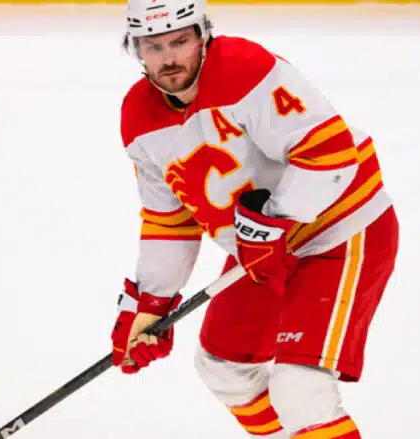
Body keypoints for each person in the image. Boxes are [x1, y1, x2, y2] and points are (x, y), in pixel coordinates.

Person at [109, 0, 401, 437]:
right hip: (262, 249)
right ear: (135, 49)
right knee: (225, 368)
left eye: (180, 41)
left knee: (300, 389)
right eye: (153, 46)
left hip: (339, 229)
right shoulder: (138, 117)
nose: (169, 58)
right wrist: (150, 305)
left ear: (203, 35)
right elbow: (170, 221)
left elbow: (330, 152)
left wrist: (274, 224)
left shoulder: (244, 69)